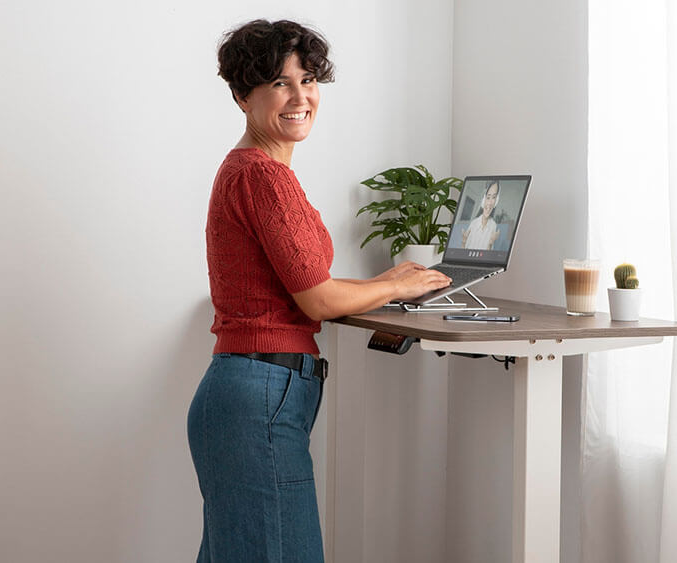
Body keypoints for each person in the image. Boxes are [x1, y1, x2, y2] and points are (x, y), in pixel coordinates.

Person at [187, 19, 450, 563]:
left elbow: (303, 284)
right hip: (259, 396)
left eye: (308, 80)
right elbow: (319, 301)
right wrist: (394, 286)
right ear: (242, 95)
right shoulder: (264, 177)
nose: (301, 96)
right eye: (281, 83)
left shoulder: (251, 170)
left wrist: (385, 284)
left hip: (250, 392)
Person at [461, 180, 501, 250]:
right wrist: (464, 241)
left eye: (494, 197)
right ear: (483, 199)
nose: (490, 203)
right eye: (488, 197)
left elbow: (488, 255)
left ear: (496, 201)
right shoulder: (473, 223)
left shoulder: (493, 225)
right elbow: (464, 253)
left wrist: (490, 243)